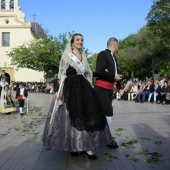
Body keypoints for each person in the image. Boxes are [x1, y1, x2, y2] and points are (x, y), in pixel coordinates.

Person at [43, 33, 112, 160]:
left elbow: (87, 74)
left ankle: (89, 147)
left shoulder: (84, 56)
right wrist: (58, 91)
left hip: (84, 88)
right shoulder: (66, 56)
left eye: (82, 40)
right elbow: (61, 74)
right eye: (77, 40)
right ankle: (74, 145)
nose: (80, 42)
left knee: (88, 117)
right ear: (72, 42)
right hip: (70, 88)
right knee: (71, 119)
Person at [94, 37, 123, 149]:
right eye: (118, 46)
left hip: (109, 89)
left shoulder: (114, 57)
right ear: (115, 45)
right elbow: (99, 71)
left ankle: (101, 136)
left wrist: (119, 87)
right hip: (101, 88)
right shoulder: (103, 54)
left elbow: (117, 74)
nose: (117, 48)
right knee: (108, 113)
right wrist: (112, 75)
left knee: (105, 113)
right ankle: (108, 139)